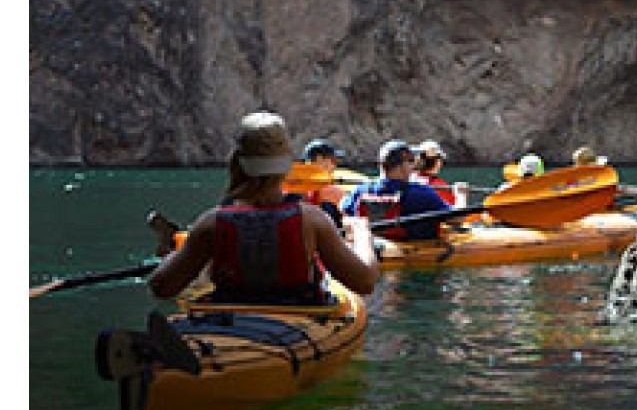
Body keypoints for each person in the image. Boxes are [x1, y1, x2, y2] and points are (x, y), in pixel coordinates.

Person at [149, 111, 379, 303]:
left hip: (230, 322)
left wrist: (178, 254)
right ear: (285, 165)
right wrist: (361, 233)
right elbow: (365, 282)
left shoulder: (211, 222)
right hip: (299, 318)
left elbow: (161, 287)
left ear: (236, 164)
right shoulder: (312, 220)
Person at [340, 140, 452, 241]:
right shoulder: (421, 193)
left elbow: (343, 208)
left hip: (374, 245)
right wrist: (461, 194)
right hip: (415, 251)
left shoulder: (361, 190)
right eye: (411, 161)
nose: (413, 166)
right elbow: (457, 218)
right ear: (402, 166)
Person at [299, 139, 347, 226]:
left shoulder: (291, 191)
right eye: (332, 160)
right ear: (319, 160)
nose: (334, 166)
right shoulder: (334, 192)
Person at [411, 140, 469, 207]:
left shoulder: (405, 179)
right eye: (437, 159)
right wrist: (461, 196)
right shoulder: (440, 186)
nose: (440, 163)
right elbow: (456, 215)